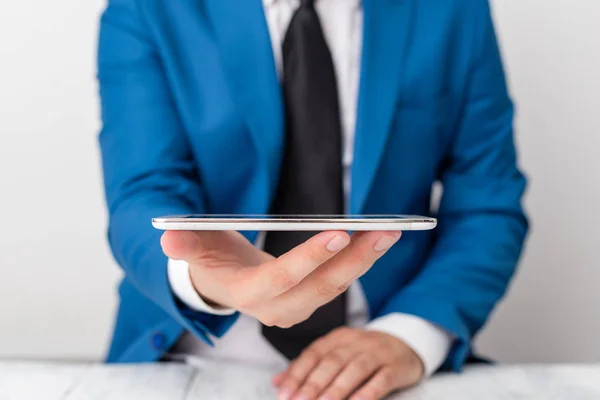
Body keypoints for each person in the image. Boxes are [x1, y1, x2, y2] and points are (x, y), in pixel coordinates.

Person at [97, 0, 528, 399]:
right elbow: (143, 190)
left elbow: (487, 207)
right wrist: (205, 275)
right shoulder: (148, 7)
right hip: (192, 355)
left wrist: (409, 333)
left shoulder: (452, 10)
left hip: (384, 356)